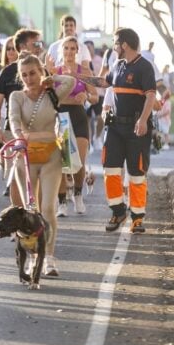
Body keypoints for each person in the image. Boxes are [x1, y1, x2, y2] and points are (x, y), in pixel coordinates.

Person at [79, 28, 157, 234]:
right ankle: (118, 211)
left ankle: (137, 217)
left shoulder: (144, 67)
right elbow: (105, 82)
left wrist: (142, 120)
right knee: (110, 169)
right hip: (114, 128)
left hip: (136, 128)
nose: (113, 47)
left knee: (136, 172)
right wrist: (80, 77)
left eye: (115, 43)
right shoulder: (117, 65)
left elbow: (150, 96)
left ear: (124, 45)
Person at [8, 55, 75, 276]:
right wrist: (19, 137)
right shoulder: (17, 96)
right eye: (24, 74)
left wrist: (51, 78)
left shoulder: (51, 94)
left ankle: (49, 257)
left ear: (40, 72)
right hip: (25, 155)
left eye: (33, 73)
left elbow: (71, 82)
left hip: (51, 155)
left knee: (47, 209)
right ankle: (31, 257)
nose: (29, 78)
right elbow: (14, 120)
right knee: (30, 210)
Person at [0, 28, 42, 206]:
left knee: (39, 176)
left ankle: (38, 220)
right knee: (16, 176)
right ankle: (18, 217)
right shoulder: (8, 71)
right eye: (35, 44)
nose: (39, 47)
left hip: (39, 131)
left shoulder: (42, 70)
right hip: (12, 132)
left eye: (40, 43)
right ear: (22, 47)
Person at [54, 36, 98, 216]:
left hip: (79, 118)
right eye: (66, 48)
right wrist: (68, 98)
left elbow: (95, 96)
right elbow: (51, 97)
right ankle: (62, 203)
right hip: (61, 117)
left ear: (77, 51)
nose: (69, 52)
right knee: (63, 163)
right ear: (61, 51)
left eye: (73, 48)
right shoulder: (54, 72)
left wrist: (86, 97)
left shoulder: (84, 71)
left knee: (79, 162)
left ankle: (78, 195)